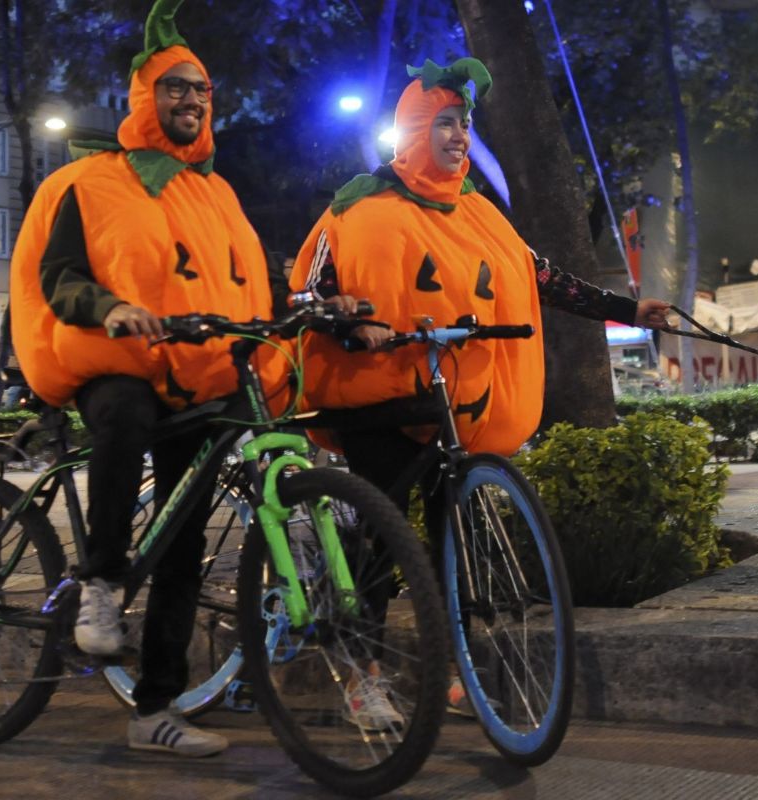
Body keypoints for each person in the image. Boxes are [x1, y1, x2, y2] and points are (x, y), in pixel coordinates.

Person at [290, 57, 670, 722]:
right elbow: (307, 292)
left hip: (442, 404)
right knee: (383, 531)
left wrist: (626, 309)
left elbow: (538, 276)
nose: (459, 134)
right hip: (372, 398)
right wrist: (355, 321)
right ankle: (362, 674)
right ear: (411, 130)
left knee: (444, 539)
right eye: (444, 123)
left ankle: (445, 668)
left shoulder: (478, 213)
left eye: (465, 123)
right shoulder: (355, 206)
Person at [9, 0, 284, 756]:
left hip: (195, 376)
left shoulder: (216, 193)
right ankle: (99, 584)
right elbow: (59, 278)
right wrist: (113, 307)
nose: (191, 100)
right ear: (144, 98)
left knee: (183, 544)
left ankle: (154, 711)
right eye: (175, 88)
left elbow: (248, 283)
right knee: (123, 412)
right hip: (109, 361)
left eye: (201, 90)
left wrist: (315, 307)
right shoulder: (89, 182)